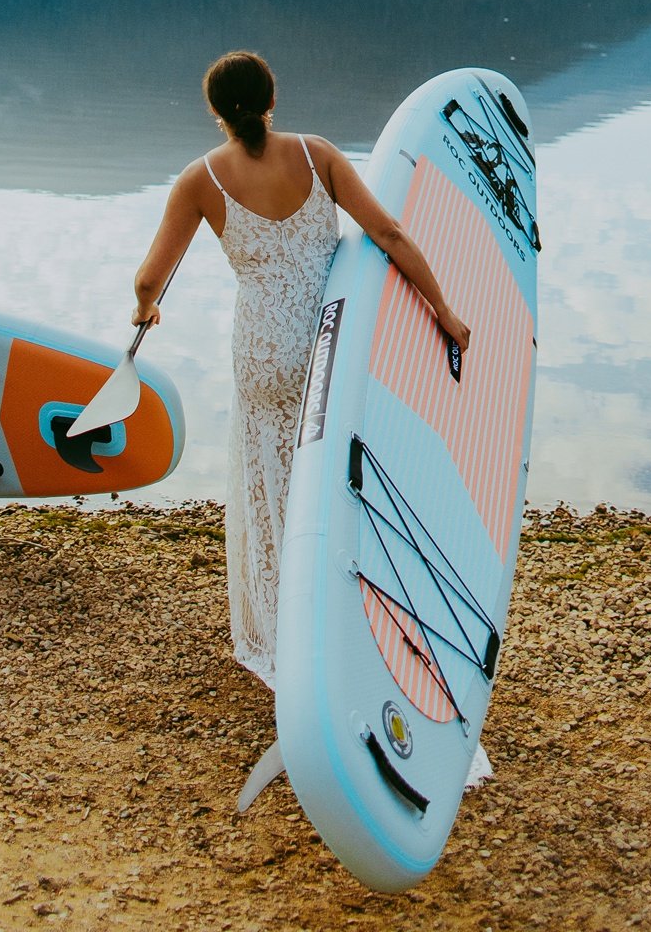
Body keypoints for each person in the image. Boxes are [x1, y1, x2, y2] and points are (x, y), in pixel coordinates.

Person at [130, 50, 472, 780]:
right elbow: (389, 235)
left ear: (216, 111)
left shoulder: (200, 179)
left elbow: (148, 274)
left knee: (273, 486)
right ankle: (354, 621)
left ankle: (291, 636)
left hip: (261, 355)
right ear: (272, 98)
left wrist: (145, 308)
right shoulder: (317, 156)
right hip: (329, 345)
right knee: (334, 480)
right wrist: (442, 310)